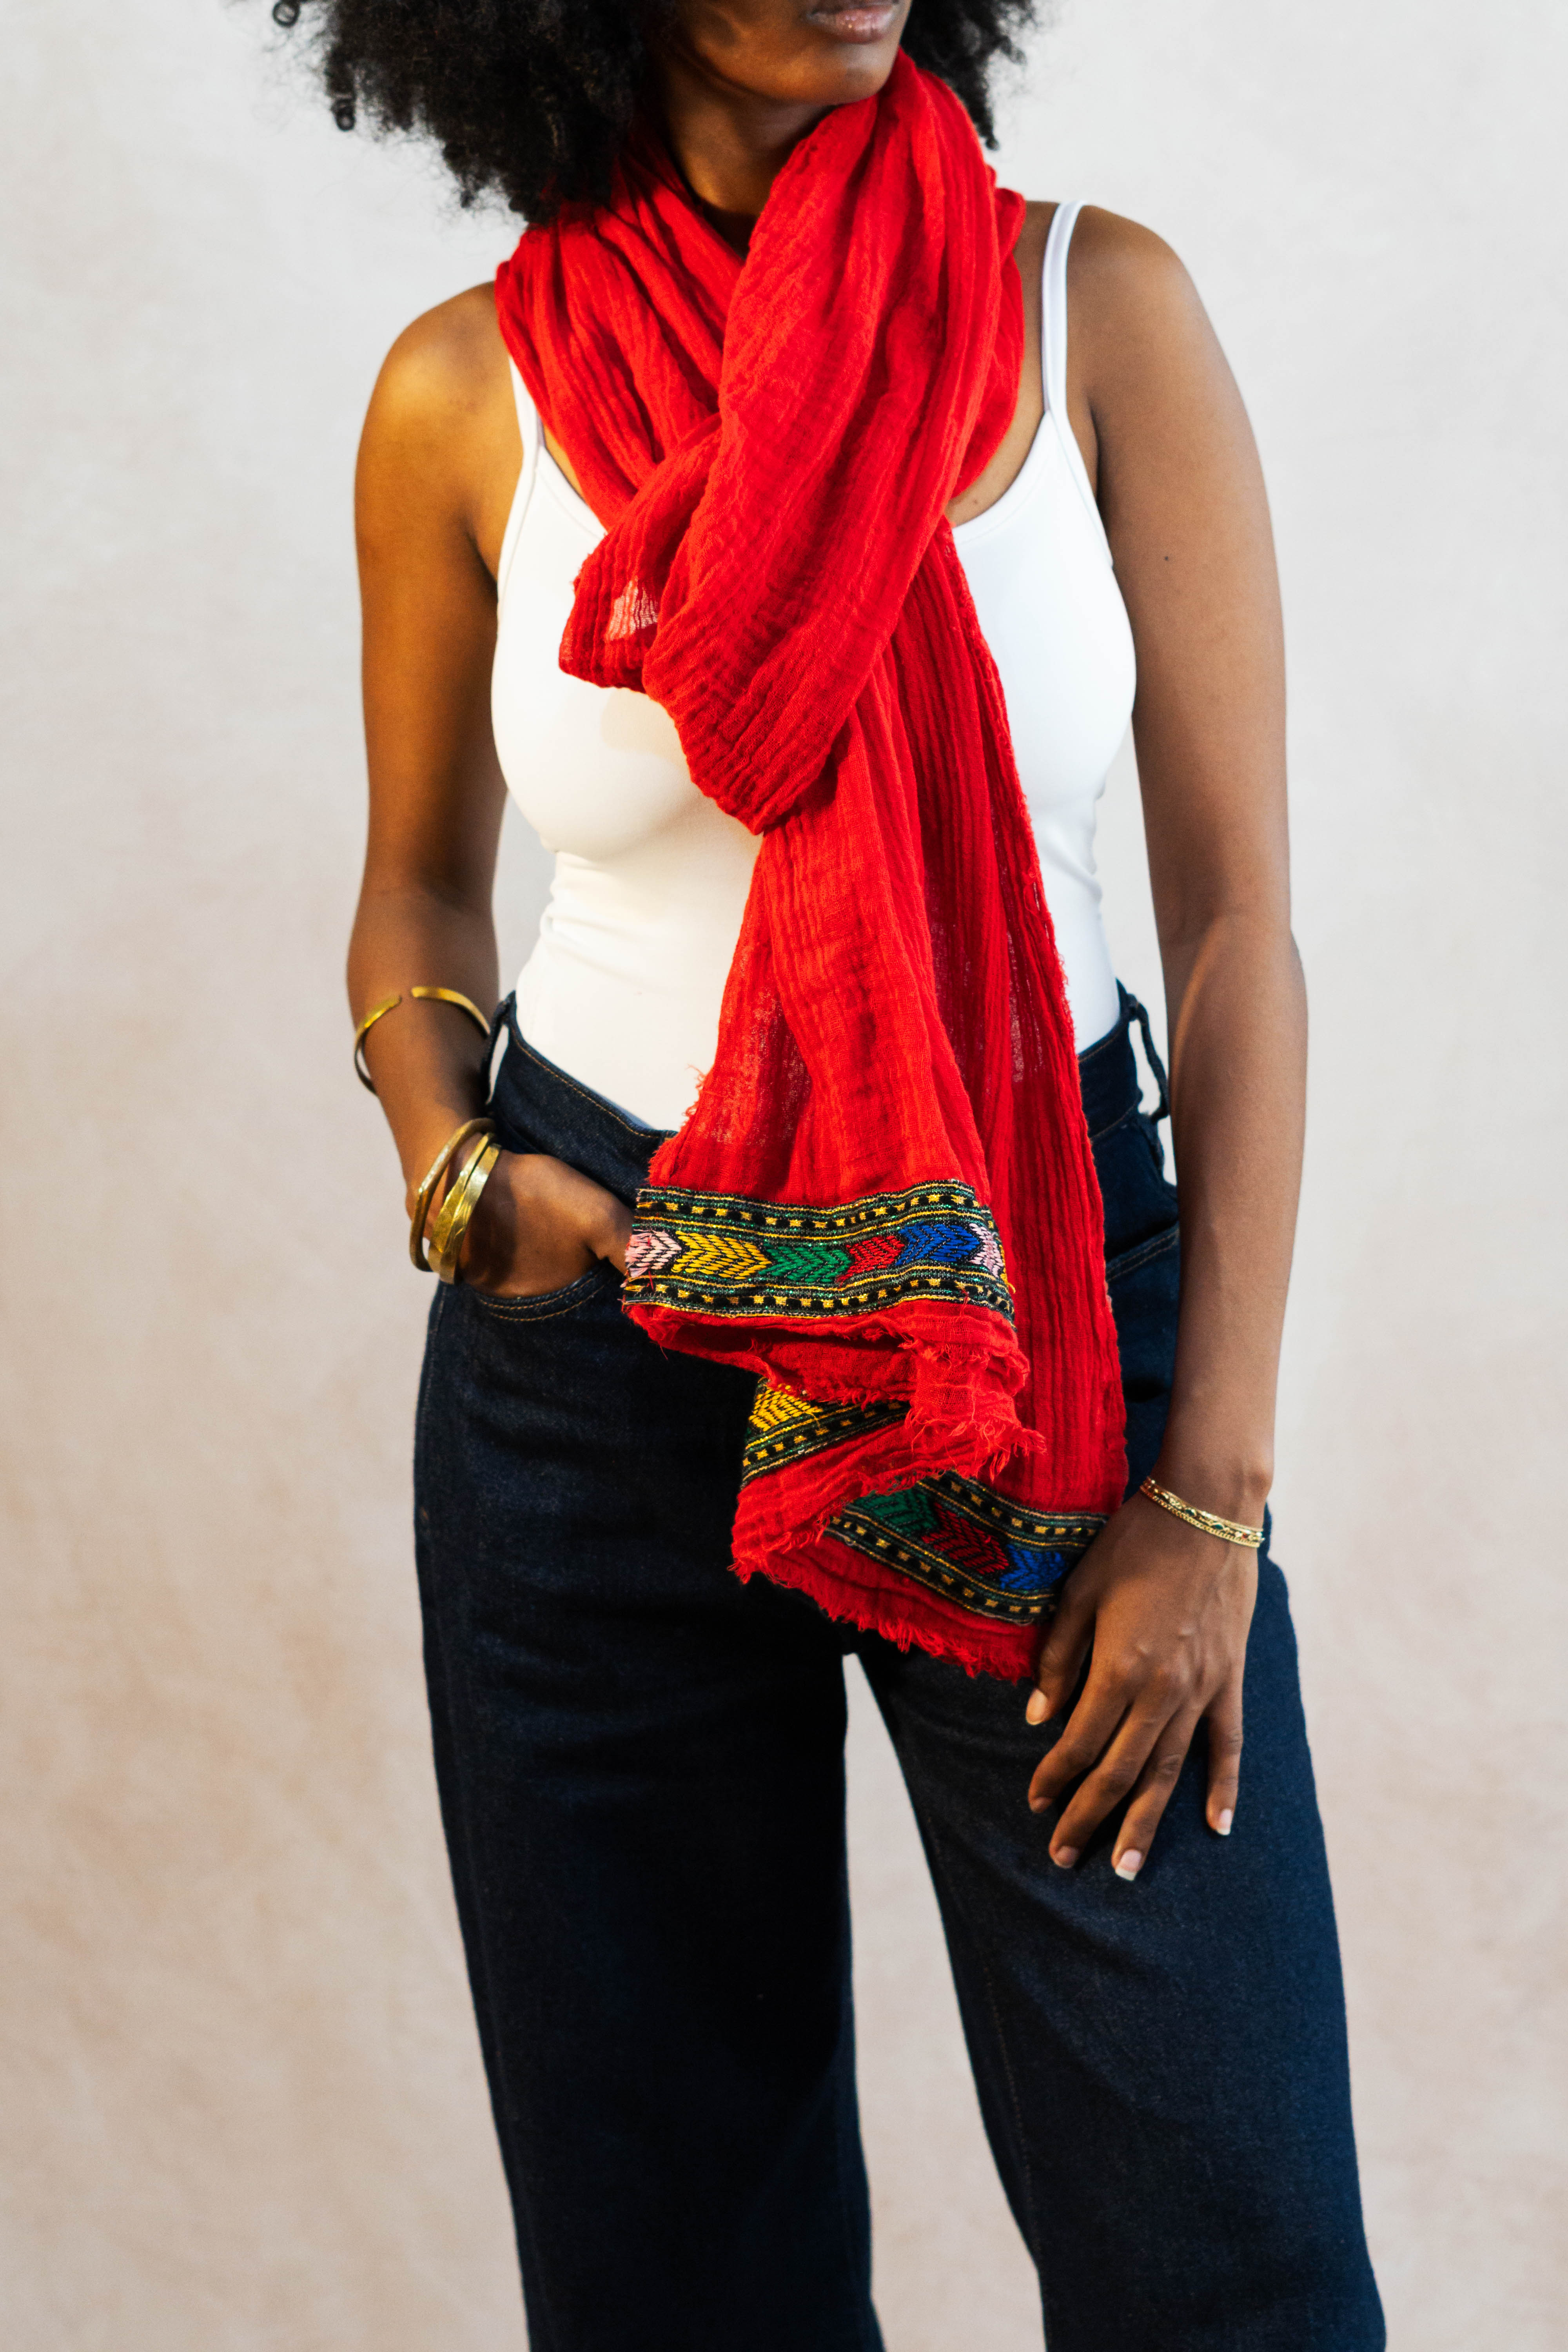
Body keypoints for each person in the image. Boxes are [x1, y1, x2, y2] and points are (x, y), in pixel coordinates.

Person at [288, 0, 1384, 2341]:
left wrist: (1212, 1491)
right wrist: (455, 1178)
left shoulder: (1097, 308)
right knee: (677, 2259)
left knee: (1234, 2246)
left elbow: (1231, 920)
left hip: (1046, 1309)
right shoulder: (464, 394)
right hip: (596, 1344)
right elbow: (415, 887)